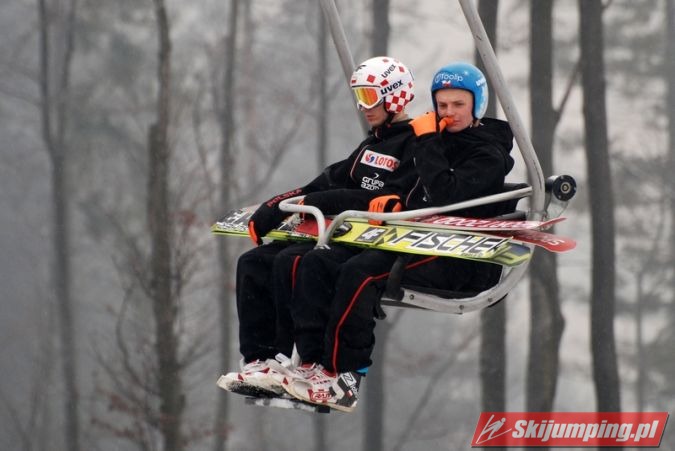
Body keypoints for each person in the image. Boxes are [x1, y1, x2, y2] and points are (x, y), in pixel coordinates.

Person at [282, 62, 515, 412]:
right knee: (318, 261)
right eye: (443, 105)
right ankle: (312, 365)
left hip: (460, 256)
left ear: (476, 105)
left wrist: (425, 141)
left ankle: (345, 375)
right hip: (410, 237)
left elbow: (445, 194)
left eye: (458, 105)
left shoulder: (487, 152)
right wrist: (394, 196)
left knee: (360, 274)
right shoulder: (432, 140)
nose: (449, 113)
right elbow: (410, 185)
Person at [217, 56, 417, 398]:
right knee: (253, 262)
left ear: (394, 96)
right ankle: (261, 359)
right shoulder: (371, 144)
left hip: (367, 238)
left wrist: (330, 201)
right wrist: (280, 204)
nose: (363, 107)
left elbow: (393, 195)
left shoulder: (414, 143)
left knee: (294, 261)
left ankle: (300, 360)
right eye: (359, 98)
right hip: (337, 230)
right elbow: (329, 180)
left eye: (370, 97)